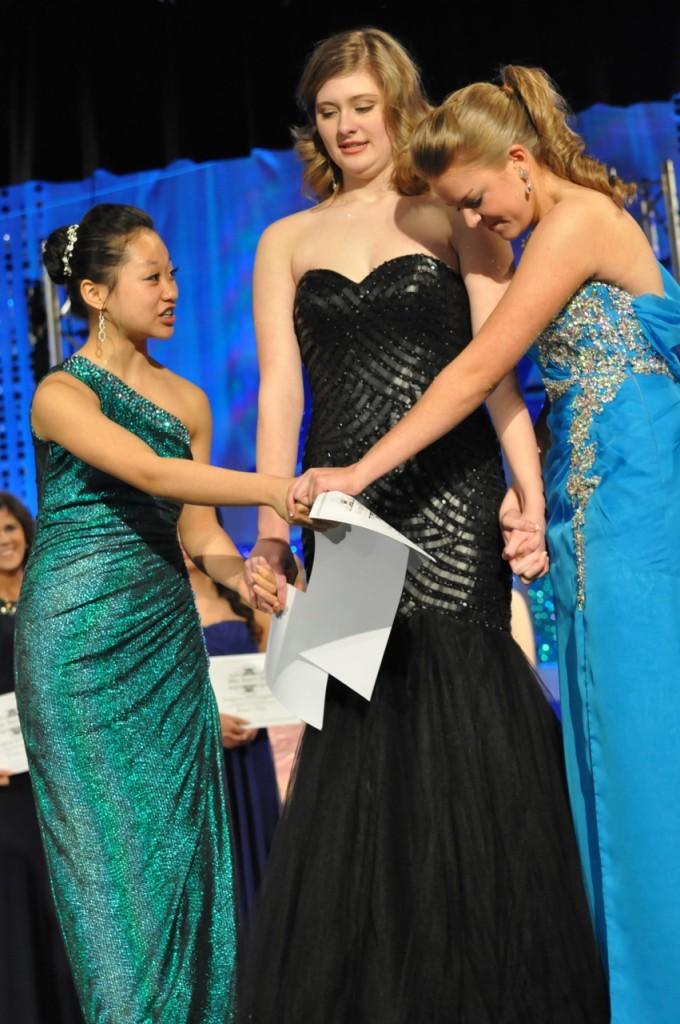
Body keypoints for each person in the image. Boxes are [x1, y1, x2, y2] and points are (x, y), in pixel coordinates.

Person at [289, 64, 680, 1024]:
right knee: (352, 746)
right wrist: (279, 517)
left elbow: (481, 371)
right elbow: (281, 390)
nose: (477, 217)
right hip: (399, 520)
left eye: (364, 107)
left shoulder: (571, 221)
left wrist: (487, 477)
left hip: (486, 495)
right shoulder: (286, 241)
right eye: (328, 111)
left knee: (608, 731)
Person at [13, 203, 303, 1024]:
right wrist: (279, 490)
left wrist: (251, 580)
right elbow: (156, 476)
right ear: (97, 293)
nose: (174, 290)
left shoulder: (189, 398)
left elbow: (199, 532)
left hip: (165, 649)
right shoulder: (60, 393)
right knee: (110, 877)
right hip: (77, 651)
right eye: (154, 277)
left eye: (174, 273)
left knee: (182, 867)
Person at [0, 492, 83, 1024]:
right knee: (17, 907)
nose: (4, 540)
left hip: (66, 777)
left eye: (9, 528)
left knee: (72, 906)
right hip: (8, 784)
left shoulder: (57, 593)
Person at [183, 542, 281, 925]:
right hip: (197, 750)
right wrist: (205, 721)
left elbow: (271, 666)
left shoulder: (245, 599)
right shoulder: (160, 609)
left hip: (252, 747)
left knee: (261, 845)